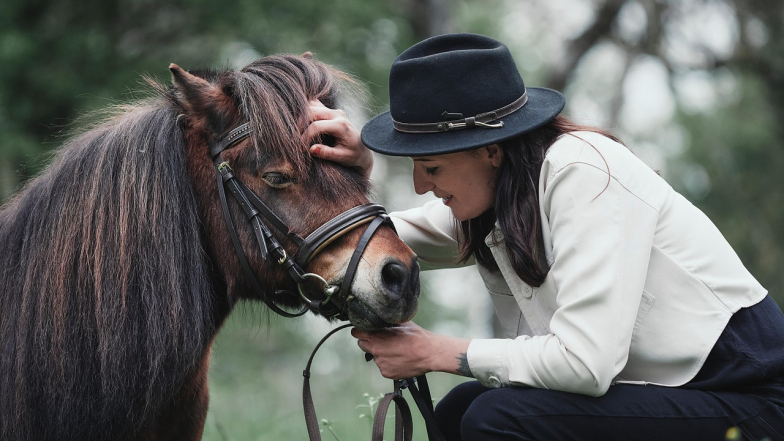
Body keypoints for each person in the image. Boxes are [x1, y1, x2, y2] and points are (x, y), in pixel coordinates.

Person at [305, 33, 784, 440]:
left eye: (430, 166)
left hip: (748, 396)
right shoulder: (496, 198)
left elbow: (585, 364)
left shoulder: (583, 173)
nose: (418, 185)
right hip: (665, 391)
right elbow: (370, 240)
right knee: (458, 413)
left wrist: (437, 351)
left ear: (490, 150)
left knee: (496, 419)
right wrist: (355, 176)